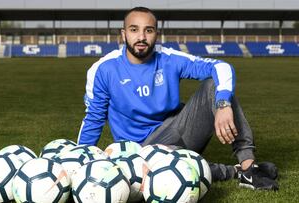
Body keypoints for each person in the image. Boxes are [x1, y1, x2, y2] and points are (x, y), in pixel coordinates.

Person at [77, 7, 278, 190]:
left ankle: (249, 167)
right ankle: (232, 172)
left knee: (214, 85)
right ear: (123, 34)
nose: (141, 37)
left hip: (177, 130)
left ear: (156, 33)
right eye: (134, 29)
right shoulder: (103, 69)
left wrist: (223, 103)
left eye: (148, 30)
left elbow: (220, 66)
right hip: (137, 153)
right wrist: (78, 165)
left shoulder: (169, 58)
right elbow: (93, 119)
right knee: (173, 173)